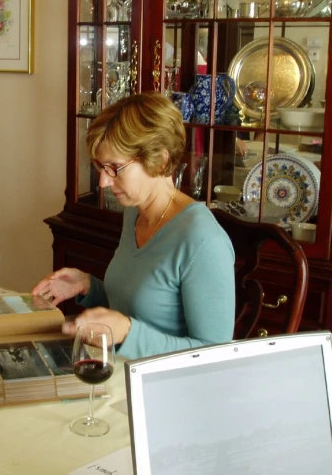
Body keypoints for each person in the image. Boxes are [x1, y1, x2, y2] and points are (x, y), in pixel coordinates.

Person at [32, 93, 235, 360]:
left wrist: (128, 333)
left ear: (160, 161)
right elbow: (142, 306)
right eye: (100, 167)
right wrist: (88, 286)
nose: (103, 182)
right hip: (120, 370)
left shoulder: (203, 241)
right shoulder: (135, 214)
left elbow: (215, 355)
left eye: (115, 167)